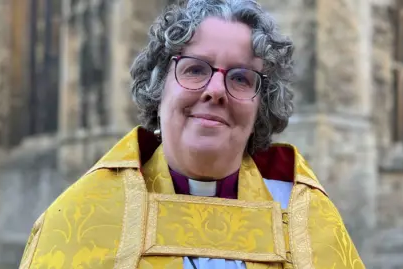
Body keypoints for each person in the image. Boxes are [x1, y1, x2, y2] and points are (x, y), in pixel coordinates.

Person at [19, 0, 366, 268]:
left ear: (262, 105)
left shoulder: (307, 219)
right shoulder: (81, 219)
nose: (215, 90)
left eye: (241, 78)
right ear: (158, 87)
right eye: (195, 69)